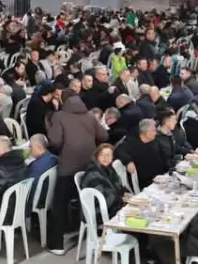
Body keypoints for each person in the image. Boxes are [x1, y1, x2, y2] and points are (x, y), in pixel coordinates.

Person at [46, 90, 107, 255]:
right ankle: (89, 231)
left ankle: (57, 244)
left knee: (59, 203)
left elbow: (55, 141)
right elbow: (103, 135)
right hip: (88, 165)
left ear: (63, 100)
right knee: (85, 200)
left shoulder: (59, 116)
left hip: (69, 166)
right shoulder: (89, 116)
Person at [115, 118, 168, 190]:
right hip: (147, 184)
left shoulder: (155, 141)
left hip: (162, 178)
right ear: (145, 132)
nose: (155, 133)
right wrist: (128, 161)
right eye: (153, 130)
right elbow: (118, 150)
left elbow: (164, 157)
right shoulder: (131, 142)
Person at [80, 143, 129, 217]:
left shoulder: (109, 169)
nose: (106, 158)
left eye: (109, 155)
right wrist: (121, 199)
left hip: (112, 206)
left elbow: (118, 188)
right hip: (99, 212)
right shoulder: (92, 173)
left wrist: (124, 193)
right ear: (97, 156)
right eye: (102, 155)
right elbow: (101, 199)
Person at [26, 133, 58, 202]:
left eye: (31, 147)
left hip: (36, 200)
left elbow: (29, 187)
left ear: (39, 147)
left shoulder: (36, 166)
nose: (29, 150)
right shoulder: (55, 159)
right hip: (50, 197)